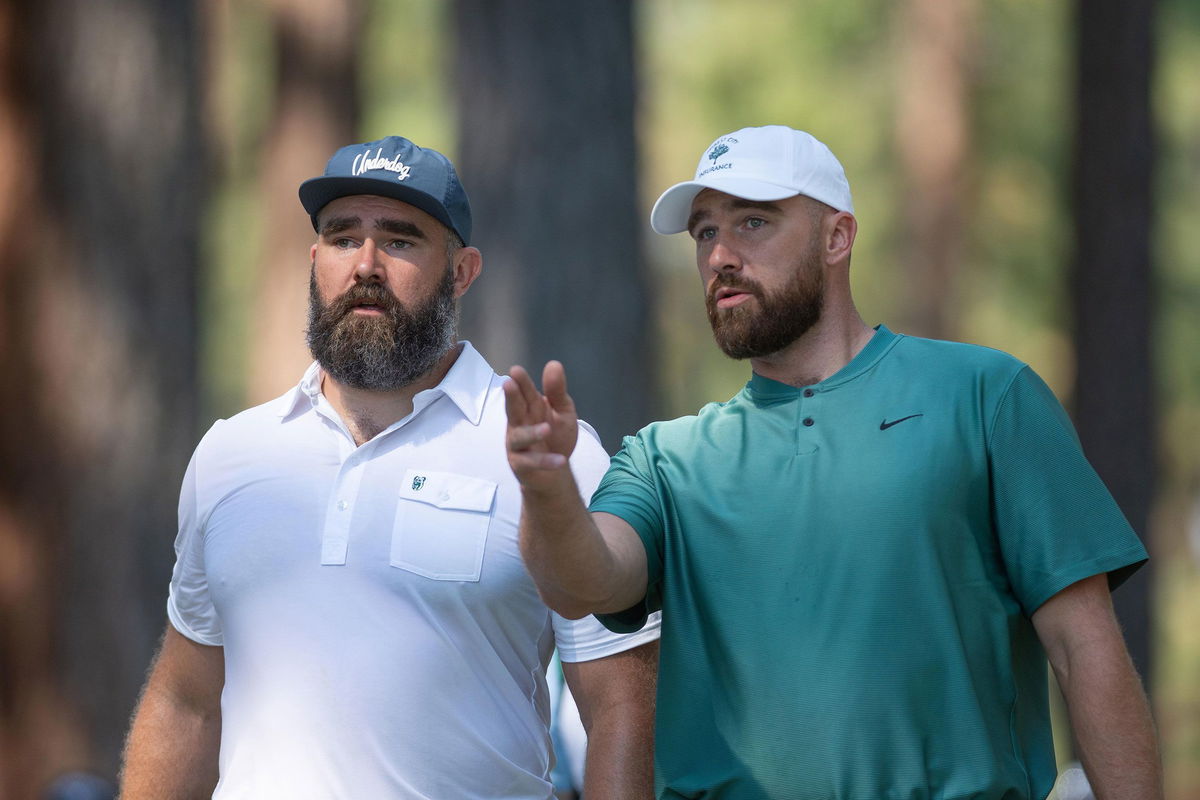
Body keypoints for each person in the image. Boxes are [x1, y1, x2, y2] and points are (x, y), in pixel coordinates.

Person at [504, 125, 1162, 799]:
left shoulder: (985, 397)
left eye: (752, 221)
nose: (721, 255)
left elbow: (1085, 652)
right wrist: (547, 490)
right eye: (704, 233)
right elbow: (584, 583)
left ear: (837, 237)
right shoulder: (667, 459)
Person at [119, 135, 660, 799]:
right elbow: (187, 702)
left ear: (461, 272)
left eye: (400, 240)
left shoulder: (547, 451)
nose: (366, 264)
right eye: (343, 237)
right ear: (315, 259)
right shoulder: (232, 453)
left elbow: (621, 707)